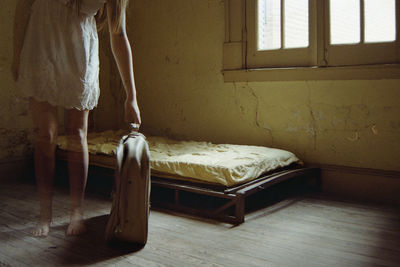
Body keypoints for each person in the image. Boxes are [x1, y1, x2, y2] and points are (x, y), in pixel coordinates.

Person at [11, 0, 141, 237]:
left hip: (80, 50)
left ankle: (76, 212)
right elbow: (23, 7)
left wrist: (131, 96)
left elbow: (118, 35)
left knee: (76, 133)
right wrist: (16, 54)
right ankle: (44, 215)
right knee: (45, 134)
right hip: (41, 42)